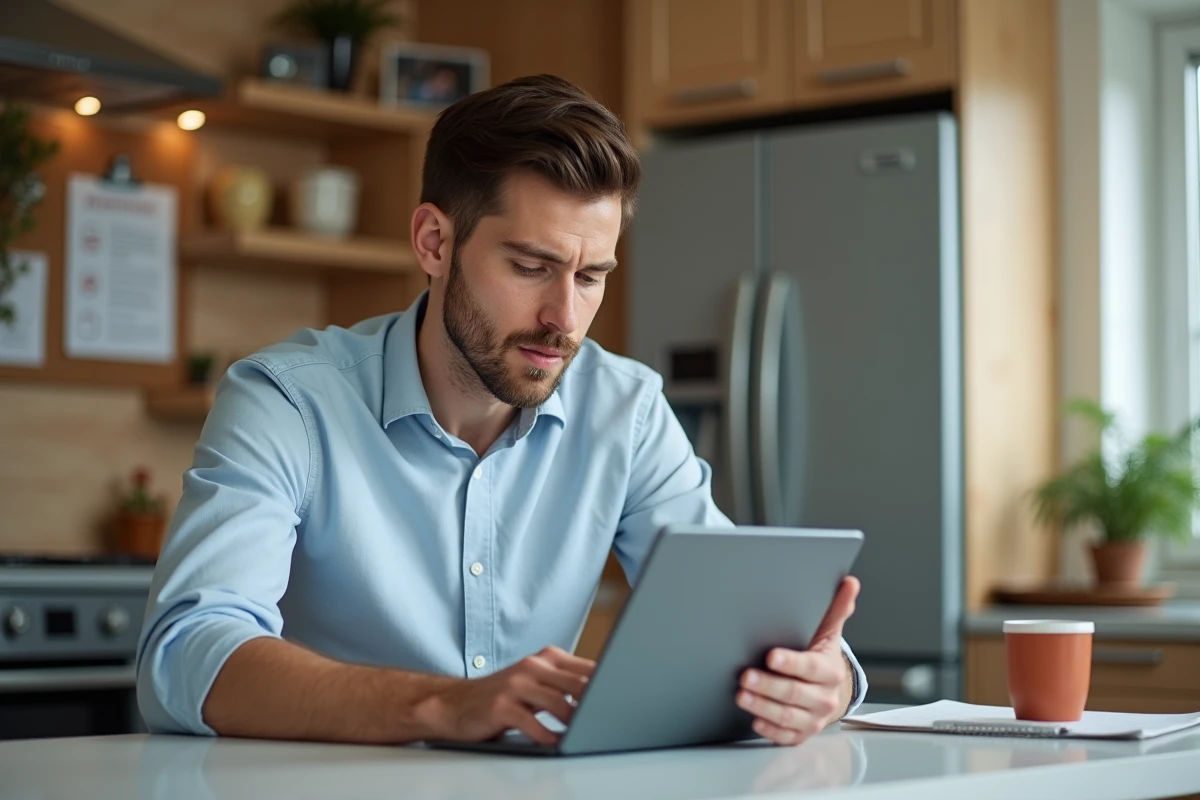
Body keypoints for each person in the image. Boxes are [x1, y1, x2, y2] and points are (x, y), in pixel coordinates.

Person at [135, 74, 867, 748]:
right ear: (434, 242)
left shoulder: (628, 410)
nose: (565, 318)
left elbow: (737, 626)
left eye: (591, 277)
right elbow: (185, 655)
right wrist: (442, 704)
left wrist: (819, 684)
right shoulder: (287, 400)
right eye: (530, 267)